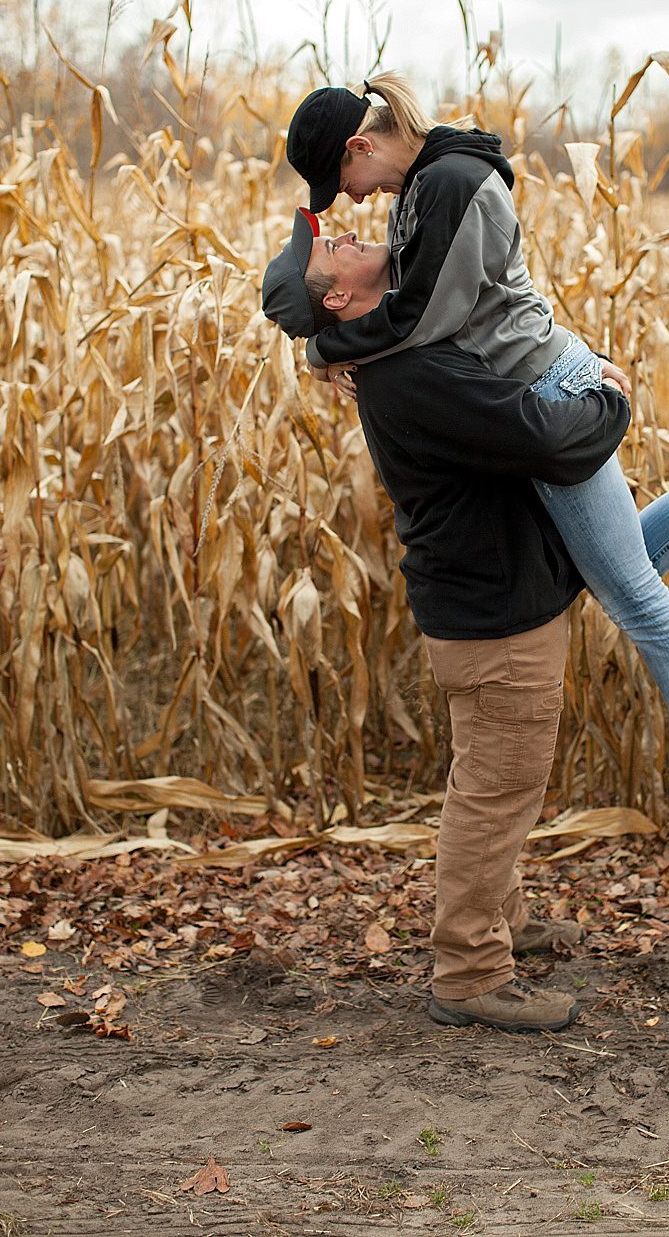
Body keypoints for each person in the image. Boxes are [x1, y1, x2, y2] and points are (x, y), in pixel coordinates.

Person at [272, 76, 669, 870]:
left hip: (547, 393)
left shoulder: (445, 183)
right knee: (620, 564)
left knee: (632, 594)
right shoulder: (424, 184)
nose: (344, 203)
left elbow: (424, 319)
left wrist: (323, 348)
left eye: (339, 182)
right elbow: (460, 305)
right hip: (549, 375)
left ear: (361, 146)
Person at [264, 209, 633, 1032]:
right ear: (336, 300)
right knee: (497, 793)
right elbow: (543, 439)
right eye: (337, 249)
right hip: (497, 619)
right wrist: (611, 403)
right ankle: (469, 971)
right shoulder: (412, 374)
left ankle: (507, 924)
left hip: (475, 607)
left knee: (488, 783)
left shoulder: (391, 355)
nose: (355, 236)